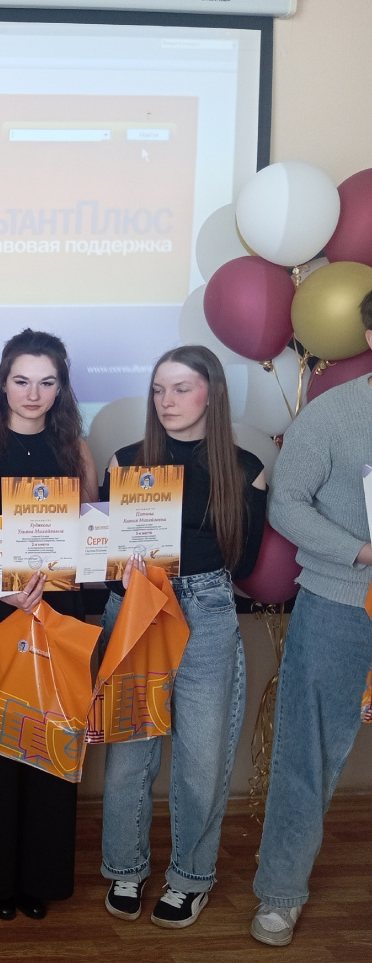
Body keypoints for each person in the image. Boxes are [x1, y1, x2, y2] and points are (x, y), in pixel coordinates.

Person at [96, 345, 266, 929]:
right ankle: (126, 866)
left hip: (206, 609)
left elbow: (245, 564)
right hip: (135, 608)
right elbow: (102, 555)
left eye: (181, 388)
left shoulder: (245, 468)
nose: (166, 401)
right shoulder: (124, 461)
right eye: (158, 390)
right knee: (129, 754)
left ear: (211, 393)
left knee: (202, 758)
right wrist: (120, 570)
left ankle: (191, 877)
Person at [0, 328, 97, 921]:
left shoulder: (76, 449)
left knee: (50, 739)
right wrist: (1, 585)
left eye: (47, 382)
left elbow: (88, 532)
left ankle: (41, 876)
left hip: (58, 611)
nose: (33, 394)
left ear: (61, 388)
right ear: (3, 384)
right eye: (22, 380)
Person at [249, 293, 372, 947]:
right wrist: (360, 552)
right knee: (307, 752)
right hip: (339, 602)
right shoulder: (331, 415)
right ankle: (280, 893)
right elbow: (287, 505)